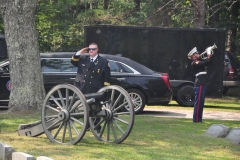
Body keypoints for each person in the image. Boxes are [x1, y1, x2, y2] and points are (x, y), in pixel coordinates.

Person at [71, 42, 111, 132]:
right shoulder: (83, 58)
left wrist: (105, 90)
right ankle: (87, 125)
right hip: (81, 87)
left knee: (96, 108)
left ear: (97, 50)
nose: (91, 51)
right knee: (83, 108)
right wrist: (80, 52)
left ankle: (96, 127)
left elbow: (107, 77)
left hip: (94, 88)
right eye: (89, 49)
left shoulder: (103, 61)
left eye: (93, 49)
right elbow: (73, 62)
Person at [187, 47, 212, 123]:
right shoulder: (195, 63)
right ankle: (196, 120)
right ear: (193, 56)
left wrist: (208, 55)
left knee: (201, 102)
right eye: (196, 53)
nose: (198, 54)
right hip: (200, 83)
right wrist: (208, 54)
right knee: (198, 102)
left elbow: (207, 62)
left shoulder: (199, 61)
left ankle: (199, 119)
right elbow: (207, 61)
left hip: (202, 82)